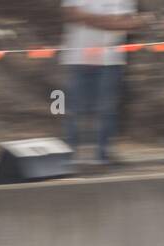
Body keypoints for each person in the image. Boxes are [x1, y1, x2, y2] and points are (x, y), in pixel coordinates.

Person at [60, 0, 145, 165]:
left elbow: (130, 23)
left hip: (110, 59)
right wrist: (112, 22)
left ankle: (103, 153)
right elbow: (70, 14)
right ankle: (68, 155)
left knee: (107, 109)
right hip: (79, 57)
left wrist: (88, 18)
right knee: (74, 110)